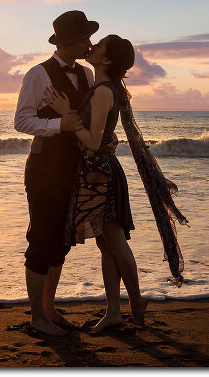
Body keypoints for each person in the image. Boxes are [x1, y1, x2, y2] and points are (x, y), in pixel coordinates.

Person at [44, 34, 150, 333]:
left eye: (98, 45)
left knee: (114, 242)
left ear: (106, 59)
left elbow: (92, 142)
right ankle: (114, 312)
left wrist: (66, 115)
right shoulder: (100, 87)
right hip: (95, 173)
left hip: (100, 172)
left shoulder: (103, 91)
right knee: (106, 244)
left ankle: (137, 300)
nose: (91, 46)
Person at [14, 10, 97, 336]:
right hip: (44, 168)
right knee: (41, 239)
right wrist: (58, 124)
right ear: (67, 43)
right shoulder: (38, 74)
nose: (89, 44)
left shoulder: (87, 75)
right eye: (84, 39)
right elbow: (22, 121)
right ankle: (37, 318)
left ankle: (49, 310)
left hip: (73, 167)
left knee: (61, 240)